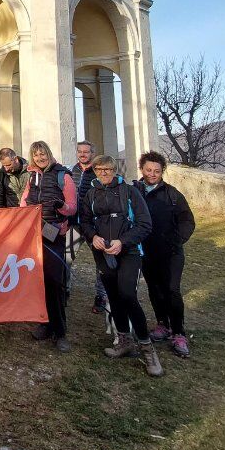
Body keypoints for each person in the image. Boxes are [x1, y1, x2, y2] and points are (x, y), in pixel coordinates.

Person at [79, 154, 163, 377]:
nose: (103, 173)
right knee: (114, 296)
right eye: (99, 170)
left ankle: (147, 348)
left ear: (115, 170)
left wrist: (122, 242)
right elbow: (84, 221)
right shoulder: (90, 194)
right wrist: (92, 237)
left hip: (129, 252)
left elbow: (145, 224)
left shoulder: (130, 192)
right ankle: (124, 340)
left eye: (107, 169)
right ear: (94, 171)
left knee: (128, 294)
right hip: (103, 252)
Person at [136, 151, 196, 358]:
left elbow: (187, 220)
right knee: (154, 289)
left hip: (171, 252)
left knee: (171, 290)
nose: (152, 174)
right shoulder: (135, 192)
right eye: (148, 170)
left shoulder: (172, 194)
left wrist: (177, 239)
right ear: (142, 169)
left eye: (157, 171)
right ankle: (162, 324)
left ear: (162, 172)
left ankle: (179, 332)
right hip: (147, 251)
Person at [20, 141, 77, 352]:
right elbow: (24, 201)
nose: (40, 158)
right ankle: (45, 323)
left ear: (49, 154)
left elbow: (72, 208)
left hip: (54, 234)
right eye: (36, 155)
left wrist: (61, 207)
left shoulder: (64, 176)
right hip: (35, 233)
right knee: (40, 281)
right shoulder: (31, 177)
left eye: (42, 154)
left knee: (55, 281)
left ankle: (60, 332)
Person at [72, 141, 109, 314]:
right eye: (80, 151)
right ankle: (64, 290)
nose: (82, 154)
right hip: (74, 223)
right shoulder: (71, 171)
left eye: (86, 152)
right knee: (66, 257)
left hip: (93, 226)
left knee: (100, 262)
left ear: (92, 153)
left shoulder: (98, 172)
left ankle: (101, 296)